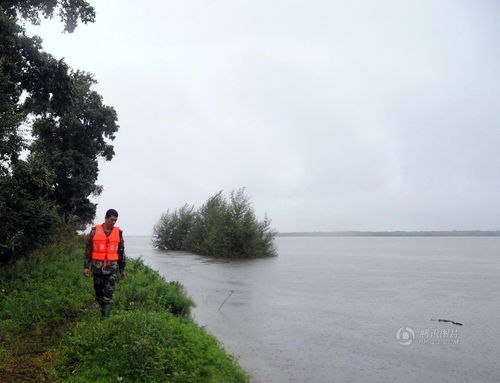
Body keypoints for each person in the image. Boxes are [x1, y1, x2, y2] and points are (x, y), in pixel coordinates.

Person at [83, 209, 126, 318]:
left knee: (108, 295)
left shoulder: (118, 233)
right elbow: (88, 250)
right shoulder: (94, 231)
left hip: (112, 270)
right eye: (112, 220)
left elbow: (121, 252)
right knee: (99, 295)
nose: (114, 222)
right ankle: (102, 312)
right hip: (97, 268)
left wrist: (122, 269)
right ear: (106, 218)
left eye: (115, 220)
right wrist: (86, 267)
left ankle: (105, 318)